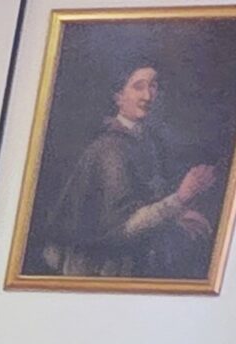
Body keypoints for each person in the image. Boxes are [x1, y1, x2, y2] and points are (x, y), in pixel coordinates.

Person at [36, 63, 220, 281]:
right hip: (99, 270)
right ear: (118, 97)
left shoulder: (148, 142)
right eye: (138, 87)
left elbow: (145, 202)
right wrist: (180, 199)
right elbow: (122, 228)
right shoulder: (109, 149)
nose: (148, 96)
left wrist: (178, 215)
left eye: (153, 86)